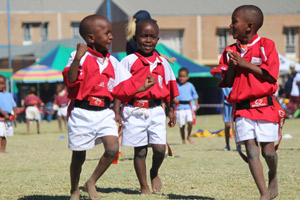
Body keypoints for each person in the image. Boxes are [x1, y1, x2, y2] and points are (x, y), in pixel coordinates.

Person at [62, 15, 156, 200]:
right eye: (106, 33)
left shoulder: (112, 61)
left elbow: (125, 86)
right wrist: (77, 59)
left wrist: (142, 87)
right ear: (91, 38)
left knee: (113, 149)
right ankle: (74, 189)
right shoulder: (78, 56)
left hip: (104, 112)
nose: (111, 37)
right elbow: (70, 80)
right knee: (79, 155)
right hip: (82, 112)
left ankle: (91, 181)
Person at [219, 5, 285, 200]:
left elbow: (270, 76)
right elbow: (228, 81)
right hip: (242, 108)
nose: (230, 25)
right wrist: (232, 65)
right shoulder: (230, 50)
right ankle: (264, 193)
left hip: (264, 105)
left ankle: (273, 177)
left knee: (268, 151)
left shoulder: (267, 45)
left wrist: (245, 63)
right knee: (251, 149)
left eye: (234, 21)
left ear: (249, 26)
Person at [114, 19, 179, 195]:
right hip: (133, 111)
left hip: (157, 110)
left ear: (158, 40)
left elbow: (170, 88)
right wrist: (117, 112)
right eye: (144, 36)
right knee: (140, 151)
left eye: (152, 37)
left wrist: (172, 109)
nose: (148, 40)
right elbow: (119, 89)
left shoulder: (163, 63)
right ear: (135, 38)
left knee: (160, 148)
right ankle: (143, 187)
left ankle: (154, 171)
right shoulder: (128, 61)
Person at [173, 67, 199, 144]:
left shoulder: (190, 85)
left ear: (187, 77)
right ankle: (183, 139)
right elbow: (172, 94)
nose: (182, 78)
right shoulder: (176, 85)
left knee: (190, 122)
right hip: (179, 108)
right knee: (182, 125)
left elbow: (195, 95)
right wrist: (174, 98)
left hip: (188, 107)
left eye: (184, 76)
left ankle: (189, 136)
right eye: (180, 76)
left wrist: (196, 103)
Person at [0, 75, 17, 153]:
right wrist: (4, 114)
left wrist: (15, 114)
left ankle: (4, 149)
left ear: (5, 84)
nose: (1, 85)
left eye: (2, 83)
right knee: (0, 134)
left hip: (8, 117)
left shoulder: (9, 95)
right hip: (1, 117)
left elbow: (14, 105)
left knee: (5, 135)